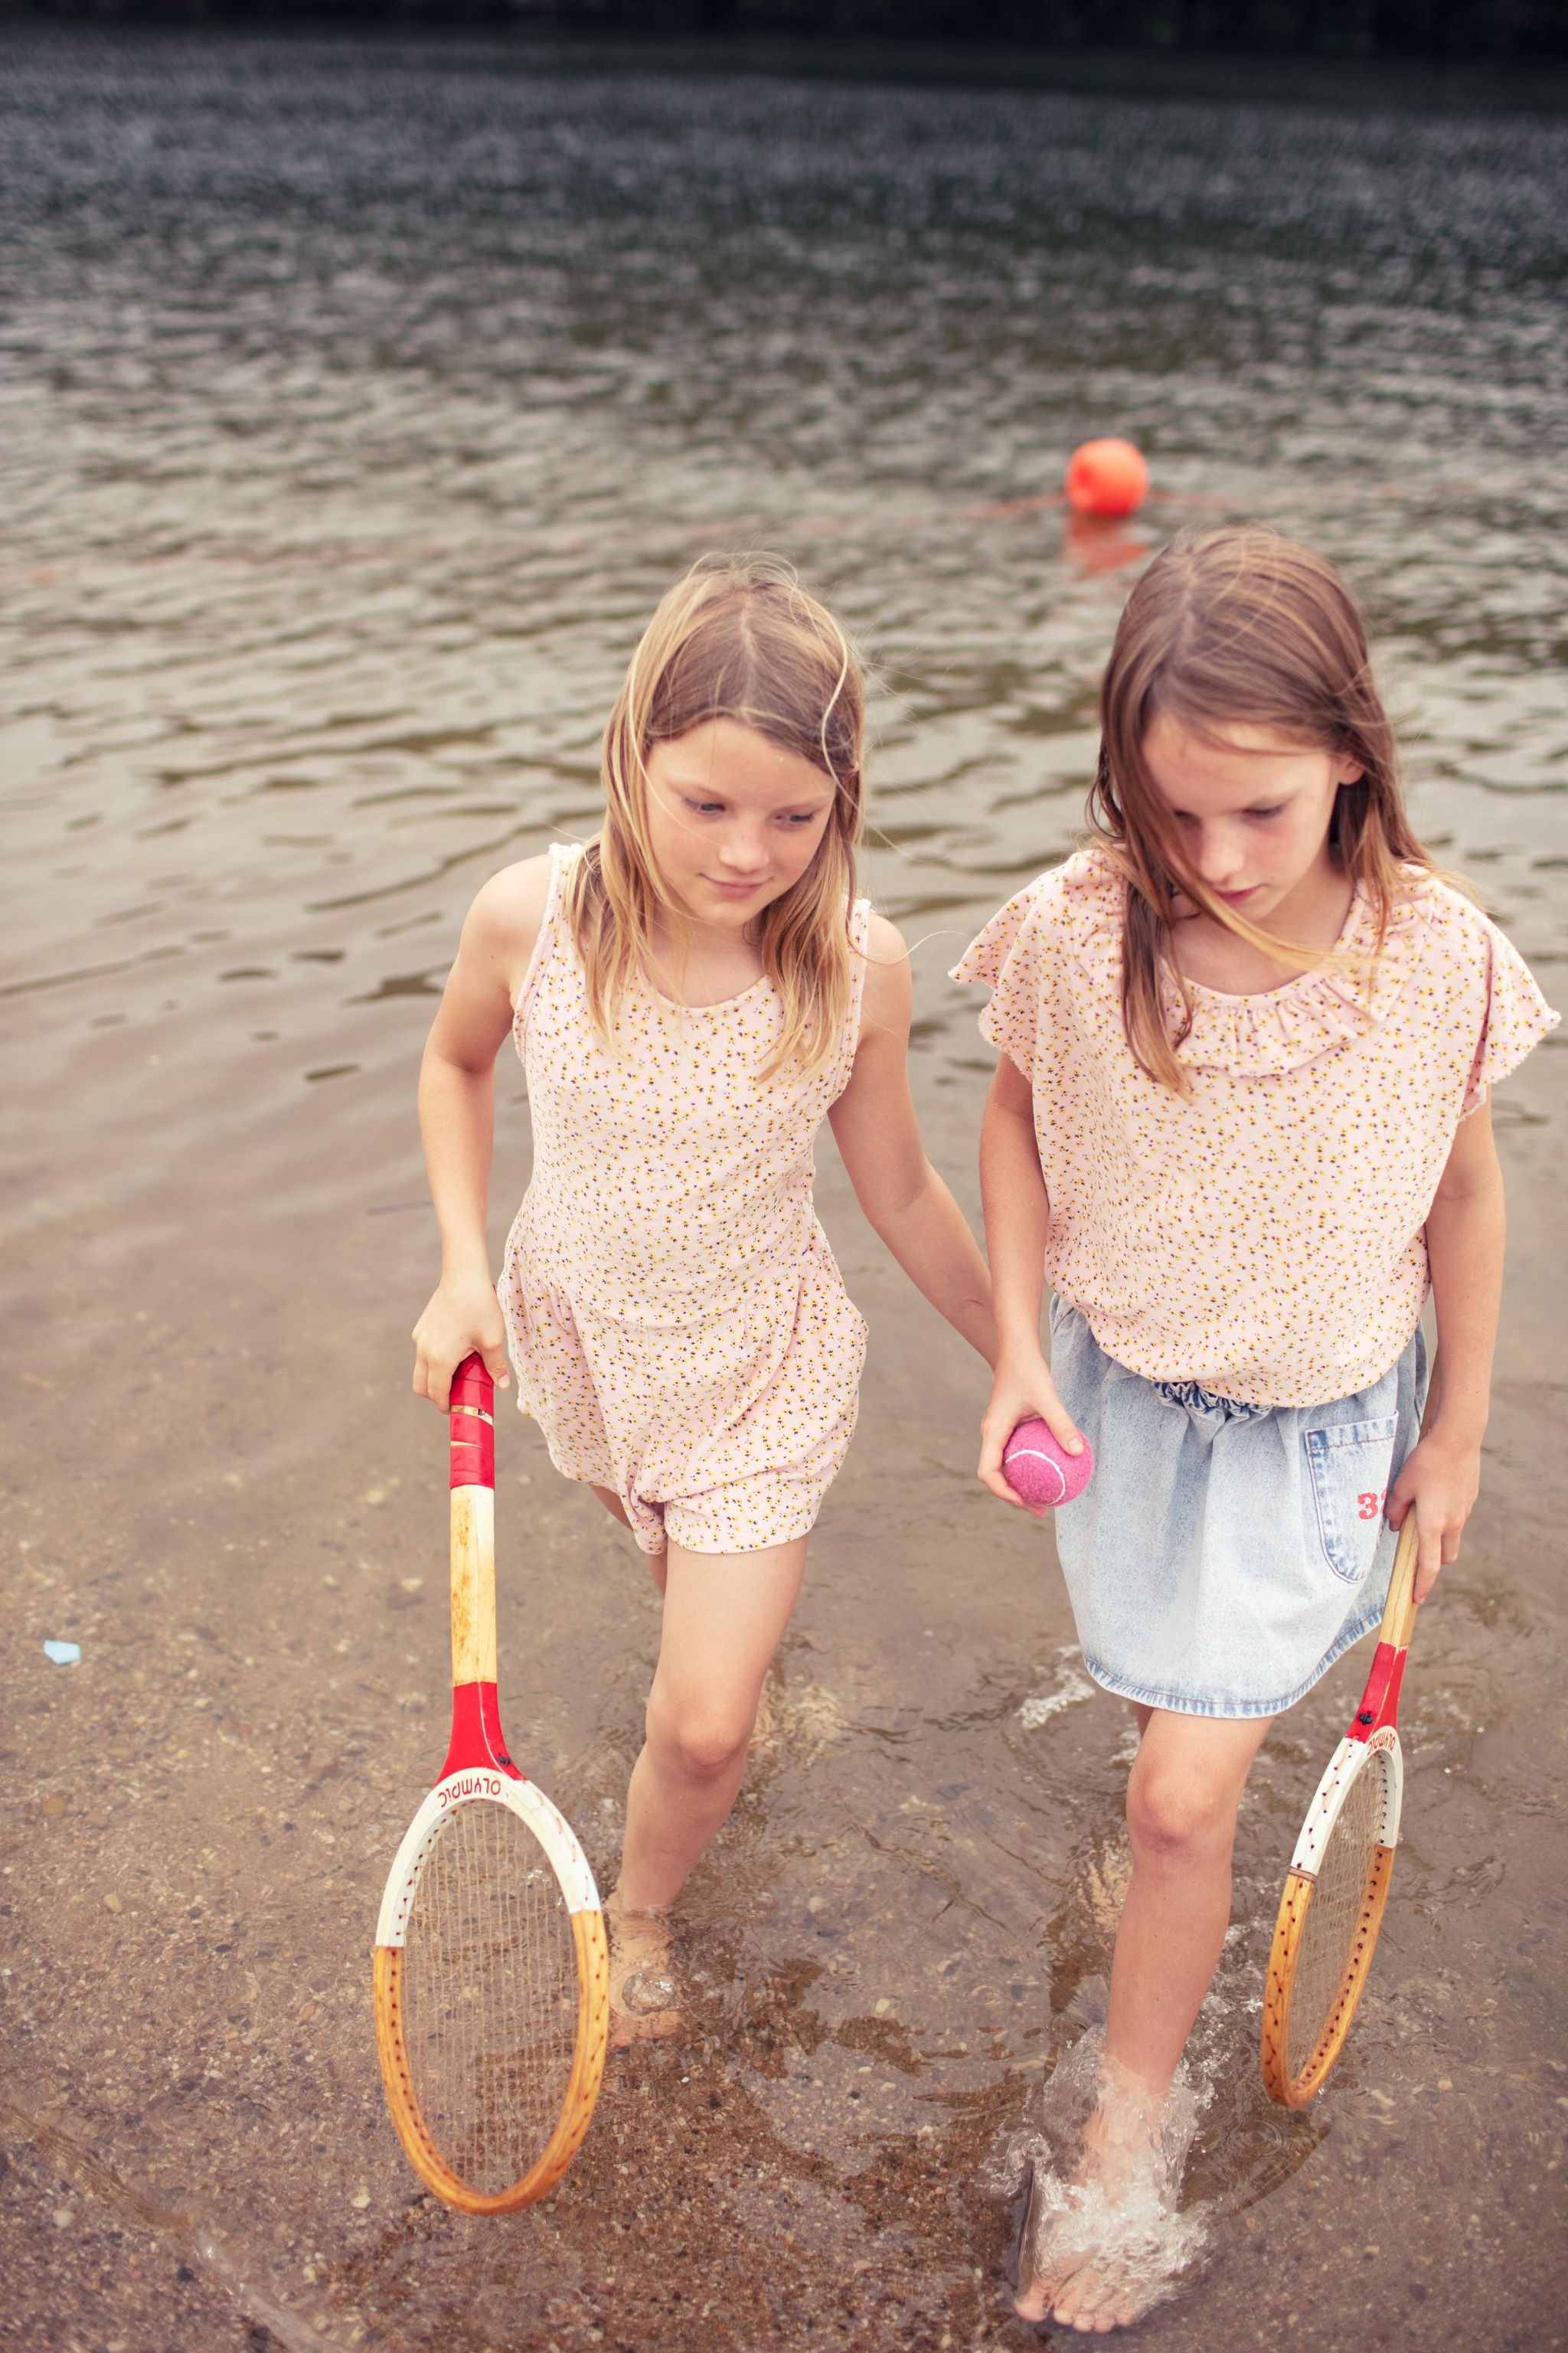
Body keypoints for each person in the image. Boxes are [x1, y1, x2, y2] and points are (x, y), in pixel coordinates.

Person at [956, 525, 1557, 2332]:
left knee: (1170, 1798)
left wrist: (1455, 1437)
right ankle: (1170, 1850)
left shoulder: (1430, 959)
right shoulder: (1079, 929)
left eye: (1261, 814)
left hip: (1315, 1427)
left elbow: (1464, 1192)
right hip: (1128, 1402)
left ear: (1350, 758)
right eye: (1172, 814)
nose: (1211, 862)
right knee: (1166, 1740)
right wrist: (1013, 1351)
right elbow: (1007, 1118)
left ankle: (1126, 2149)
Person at [412, 554, 993, 2047]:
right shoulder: (532, 918)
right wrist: (463, 1266)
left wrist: (1026, 1360)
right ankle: (716, 1665)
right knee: (685, 1610)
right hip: (590, 1339)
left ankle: (645, 1908)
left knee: (703, 1716)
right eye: (708, 805)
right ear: (634, 756)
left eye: (794, 818)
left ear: (842, 805)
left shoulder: (852, 965)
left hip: (760, 1362)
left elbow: (905, 1195)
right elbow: (454, 1066)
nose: (748, 853)